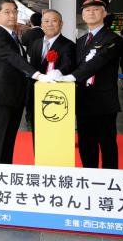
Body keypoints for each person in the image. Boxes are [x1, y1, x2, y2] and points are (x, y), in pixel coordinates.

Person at [57, 0, 122, 169]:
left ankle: (109, 182)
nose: (91, 13)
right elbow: (72, 64)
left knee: (107, 145)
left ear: (104, 13)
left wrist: (70, 77)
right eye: (87, 10)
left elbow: (96, 62)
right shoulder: (80, 41)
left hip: (104, 103)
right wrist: (56, 73)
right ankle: (89, 178)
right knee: (86, 144)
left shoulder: (113, 39)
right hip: (83, 101)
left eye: (96, 9)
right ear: (83, 14)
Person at [0, 0, 54, 164]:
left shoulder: (13, 36)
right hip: (1, 97)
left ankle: (5, 172)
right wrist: (38, 75)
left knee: (8, 140)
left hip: (14, 97)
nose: (12, 15)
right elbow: (14, 59)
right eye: (7, 12)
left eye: (15, 11)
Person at [27, 9, 75, 146]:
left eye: (54, 21)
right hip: (35, 97)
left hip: (56, 99)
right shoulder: (35, 43)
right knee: (37, 137)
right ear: (41, 24)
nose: (49, 24)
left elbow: (68, 64)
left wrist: (59, 72)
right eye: (46, 21)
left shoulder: (68, 44)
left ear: (61, 24)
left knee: (56, 140)